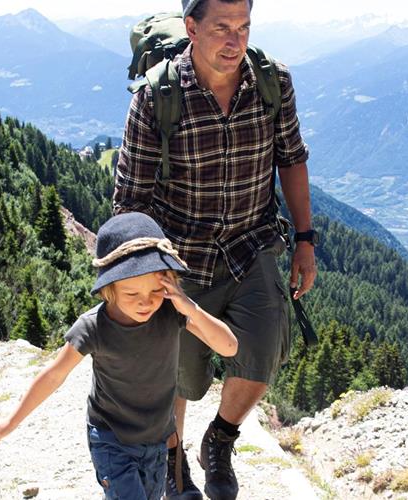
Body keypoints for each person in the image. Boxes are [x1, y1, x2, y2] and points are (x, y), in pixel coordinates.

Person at [114, 0, 317, 498]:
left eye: (243, 27)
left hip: (252, 242)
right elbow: (130, 200)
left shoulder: (272, 84)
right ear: (191, 28)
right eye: (222, 28)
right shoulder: (157, 98)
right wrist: (145, 275)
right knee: (178, 374)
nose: (235, 41)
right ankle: (172, 462)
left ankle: (219, 441)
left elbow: (290, 160)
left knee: (265, 347)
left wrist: (305, 240)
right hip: (179, 257)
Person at [0, 212, 238, 499]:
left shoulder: (171, 313)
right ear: (108, 290)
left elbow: (229, 346)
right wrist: (9, 423)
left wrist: (188, 306)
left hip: (157, 441)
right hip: (110, 438)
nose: (146, 302)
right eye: (131, 294)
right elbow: (54, 375)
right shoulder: (93, 327)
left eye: (156, 290)